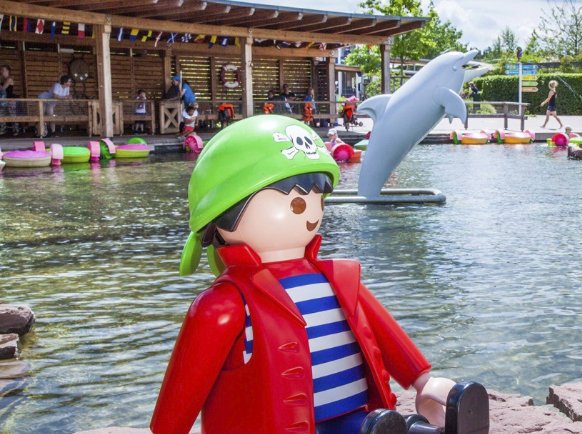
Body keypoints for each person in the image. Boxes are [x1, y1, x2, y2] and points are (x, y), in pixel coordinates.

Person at [152, 116, 487, 434]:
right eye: (297, 202)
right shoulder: (225, 303)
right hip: (267, 425)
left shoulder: (334, 278)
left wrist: (422, 381)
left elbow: (385, 333)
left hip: (354, 416)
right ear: (223, 214)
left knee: (373, 426)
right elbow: (184, 389)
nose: (311, 212)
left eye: (317, 199)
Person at [0, 65, 21, 136]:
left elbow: (2, 89)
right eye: (1, 70)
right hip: (3, 100)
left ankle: (16, 130)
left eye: (3, 70)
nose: (1, 72)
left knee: (12, 115)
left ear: (8, 71)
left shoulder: (9, 79)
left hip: (10, 100)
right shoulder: (2, 80)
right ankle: (3, 130)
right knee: (1, 115)